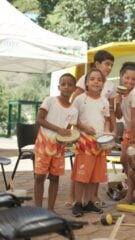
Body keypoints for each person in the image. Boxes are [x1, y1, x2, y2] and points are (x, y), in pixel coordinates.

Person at [67, 50, 117, 207]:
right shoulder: (82, 90)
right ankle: (75, 200)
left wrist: (110, 131)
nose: (96, 82)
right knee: (82, 171)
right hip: (84, 139)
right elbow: (73, 111)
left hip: (101, 139)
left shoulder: (107, 93)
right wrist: (79, 127)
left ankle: (90, 200)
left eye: (111, 65)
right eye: (106, 64)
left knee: (96, 171)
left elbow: (109, 115)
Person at [34, 73, 78, 212]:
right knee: (40, 176)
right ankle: (38, 210)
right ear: (59, 86)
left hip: (58, 147)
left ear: (74, 88)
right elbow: (39, 119)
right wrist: (58, 129)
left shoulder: (73, 110)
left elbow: (68, 130)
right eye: (63, 84)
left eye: (70, 84)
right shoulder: (50, 100)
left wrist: (68, 141)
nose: (66, 87)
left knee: (54, 178)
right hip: (44, 143)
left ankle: (50, 210)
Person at [71, 68, 111, 217]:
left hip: (100, 142)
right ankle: (77, 203)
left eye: (99, 80)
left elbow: (106, 121)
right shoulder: (79, 99)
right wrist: (84, 128)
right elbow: (73, 120)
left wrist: (107, 135)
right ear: (86, 82)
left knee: (95, 176)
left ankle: (88, 202)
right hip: (84, 142)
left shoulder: (104, 101)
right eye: (92, 79)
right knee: (82, 175)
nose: (96, 82)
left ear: (103, 84)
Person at [115, 62, 135, 202]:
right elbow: (118, 115)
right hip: (129, 131)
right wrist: (116, 102)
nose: (129, 81)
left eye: (133, 79)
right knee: (123, 159)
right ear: (122, 77)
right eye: (127, 78)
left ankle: (130, 195)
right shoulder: (120, 93)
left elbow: (134, 120)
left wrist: (133, 141)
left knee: (130, 159)